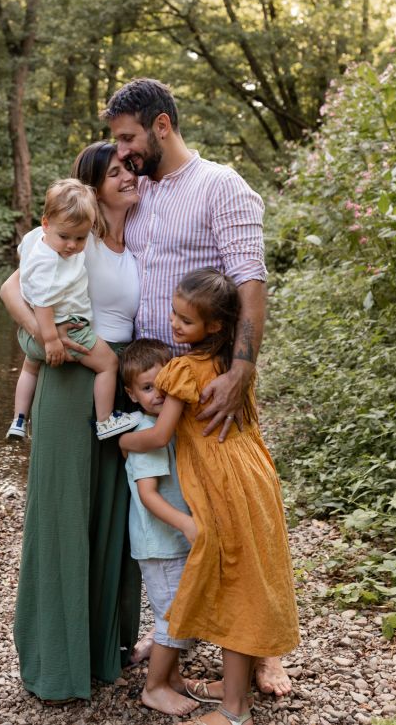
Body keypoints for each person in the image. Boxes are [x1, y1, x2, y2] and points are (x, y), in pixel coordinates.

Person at [103, 77, 292, 696]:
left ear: (161, 125)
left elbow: (250, 284)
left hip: (212, 381)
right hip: (154, 385)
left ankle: (265, 652)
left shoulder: (221, 186)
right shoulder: (140, 193)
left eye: (128, 138)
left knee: (244, 516)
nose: (122, 152)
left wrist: (242, 371)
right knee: (178, 515)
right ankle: (174, 630)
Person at [119, 269, 300, 725]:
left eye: (185, 320)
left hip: (224, 490)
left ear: (215, 326)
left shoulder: (182, 371)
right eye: (175, 314)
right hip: (255, 477)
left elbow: (160, 435)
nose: (174, 325)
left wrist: (121, 441)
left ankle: (234, 709)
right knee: (244, 581)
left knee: (234, 586)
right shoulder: (233, 366)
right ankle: (232, 685)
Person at [0, 141, 143, 703]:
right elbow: (11, 289)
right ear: (94, 184)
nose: (131, 176)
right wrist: (47, 339)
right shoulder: (68, 242)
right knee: (64, 516)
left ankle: (103, 651)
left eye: (132, 168)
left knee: (110, 515)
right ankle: (56, 663)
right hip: (71, 378)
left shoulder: (138, 240)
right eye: (117, 172)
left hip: (121, 386)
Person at [120, 338, 225, 717]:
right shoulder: (145, 433)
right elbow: (148, 495)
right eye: (147, 388)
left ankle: (174, 679)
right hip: (160, 543)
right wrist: (186, 523)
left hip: (174, 540)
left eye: (163, 385)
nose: (158, 394)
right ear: (131, 394)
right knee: (173, 619)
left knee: (178, 612)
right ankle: (153, 688)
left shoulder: (168, 424)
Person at [9, 178, 140, 442]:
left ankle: (19, 419)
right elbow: (43, 302)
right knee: (108, 364)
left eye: (80, 238)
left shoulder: (37, 242)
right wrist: (51, 340)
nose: (72, 245)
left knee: (29, 369)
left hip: (30, 337)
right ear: (46, 224)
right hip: (64, 331)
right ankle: (105, 421)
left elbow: (25, 266)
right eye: (65, 237)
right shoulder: (51, 262)